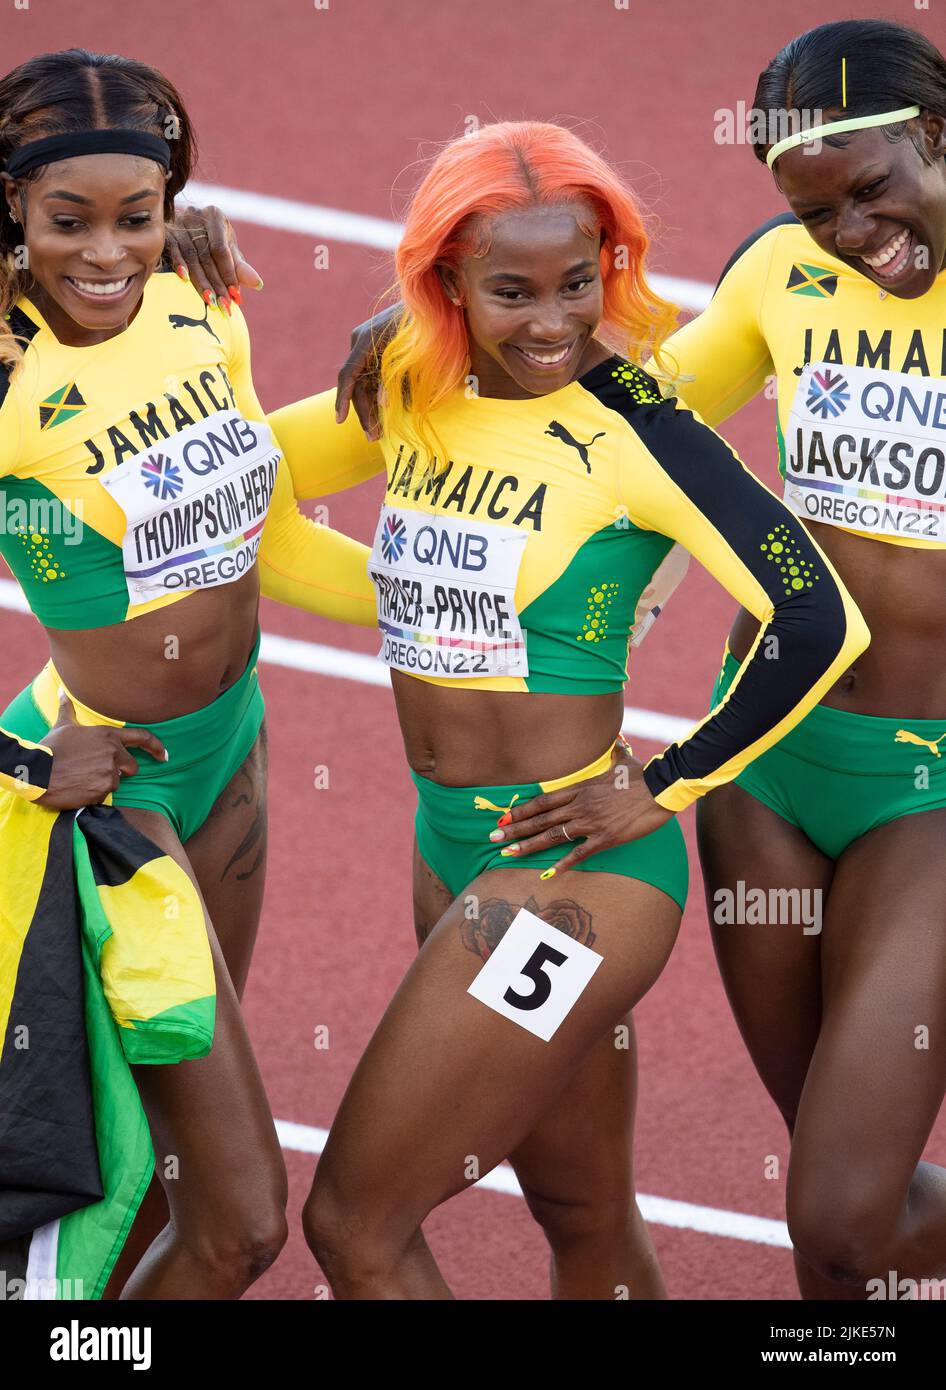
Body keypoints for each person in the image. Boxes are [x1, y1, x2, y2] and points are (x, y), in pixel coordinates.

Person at [269, 118, 868, 1298]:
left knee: (352, 1224)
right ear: (443, 278)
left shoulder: (639, 426)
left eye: (577, 283)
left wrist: (664, 777)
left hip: (573, 876)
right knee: (584, 1214)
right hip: (451, 848)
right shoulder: (409, 387)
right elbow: (253, 491)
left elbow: (819, 620)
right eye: (510, 289)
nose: (551, 322)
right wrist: (400, 602)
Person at [428, 19, 946, 1300]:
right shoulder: (784, 271)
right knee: (842, 1212)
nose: (852, 235)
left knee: (836, 1212)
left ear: (936, 135)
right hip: (764, 770)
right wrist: (423, 331)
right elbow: (630, 405)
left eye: (873, 192)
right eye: (814, 210)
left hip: (928, 786)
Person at [0, 47, 376, 1299]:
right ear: (12, 208)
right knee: (241, 1221)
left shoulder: (197, 301)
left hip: (230, 756)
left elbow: (260, 527)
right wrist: (22, 759)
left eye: (137, 216)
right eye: (69, 221)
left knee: (160, 1165)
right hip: (105, 806)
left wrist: (444, 602)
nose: (107, 251)